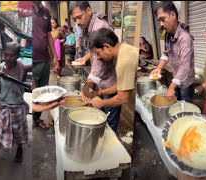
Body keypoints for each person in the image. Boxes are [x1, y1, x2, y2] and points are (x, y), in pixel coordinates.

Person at [0, 42, 32, 180]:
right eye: (6, 54)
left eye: (12, 55)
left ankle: (20, 149)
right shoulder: (0, 67)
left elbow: (35, 65)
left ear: (17, 56)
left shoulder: (23, 68)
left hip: (17, 108)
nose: (8, 58)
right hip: (1, 108)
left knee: (19, 134)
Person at [69, 1, 121, 132]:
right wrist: (85, 58)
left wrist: (90, 82)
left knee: (109, 122)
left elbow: (100, 60)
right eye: (74, 19)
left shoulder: (100, 27)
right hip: (99, 82)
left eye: (79, 17)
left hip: (109, 82)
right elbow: (94, 51)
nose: (77, 22)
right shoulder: (88, 27)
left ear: (88, 10)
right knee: (100, 115)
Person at [87, 28, 139, 121]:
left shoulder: (124, 61)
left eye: (98, 53)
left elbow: (122, 98)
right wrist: (101, 92)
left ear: (106, 47)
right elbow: (120, 85)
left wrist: (101, 103)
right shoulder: (124, 49)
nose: (99, 57)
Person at [150, 1, 195, 103]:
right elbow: (166, 53)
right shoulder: (168, 35)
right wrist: (158, 68)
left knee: (185, 104)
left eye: (163, 19)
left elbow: (185, 66)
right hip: (176, 78)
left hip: (186, 81)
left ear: (173, 15)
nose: (161, 24)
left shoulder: (185, 38)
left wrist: (171, 88)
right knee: (176, 102)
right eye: (159, 21)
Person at [32, 1, 59, 129]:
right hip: (30, 60)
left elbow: (48, 35)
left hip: (44, 59)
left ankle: (37, 119)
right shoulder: (24, 9)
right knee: (29, 90)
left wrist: (54, 56)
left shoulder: (46, 12)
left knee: (41, 91)